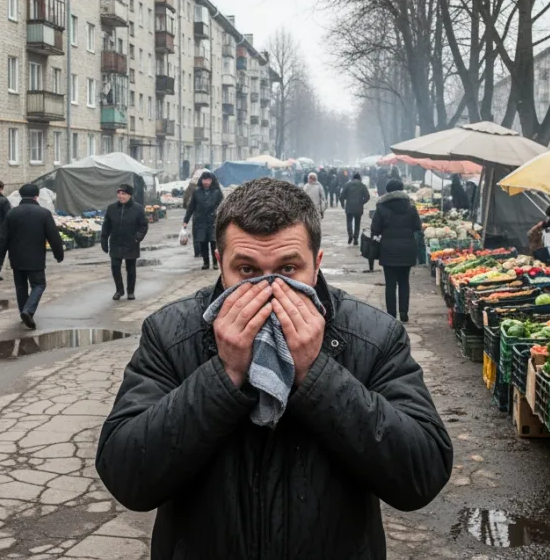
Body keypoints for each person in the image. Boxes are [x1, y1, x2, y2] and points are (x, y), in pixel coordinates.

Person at [95, 178, 452, 558]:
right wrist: (224, 375)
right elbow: (126, 475)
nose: (268, 289)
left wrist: (317, 373)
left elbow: (422, 475)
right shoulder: (171, 334)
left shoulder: (374, 337)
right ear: (220, 264)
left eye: (288, 268)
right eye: (247, 270)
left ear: (316, 265)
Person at [0, 183, 65, 329]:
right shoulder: (43, 213)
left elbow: (4, 238)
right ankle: (28, 310)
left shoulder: (12, 213)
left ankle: (24, 312)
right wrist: (58, 254)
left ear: (21, 195)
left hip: (16, 258)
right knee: (39, 284)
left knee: (21, 286)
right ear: (37, 196)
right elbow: (53, 237)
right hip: (35, 258)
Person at [371, 179, 422, 323]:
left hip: (388, 249)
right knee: (404, 282)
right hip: (407, 248)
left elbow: (375, 228)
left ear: (388, 190)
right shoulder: (411, 206)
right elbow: (417, 226)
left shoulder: (381, 207)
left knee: (390, 283)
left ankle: (391, 315)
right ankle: (404, 311)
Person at [102, 183, 150, 301]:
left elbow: (144, 225)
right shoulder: (111, 208)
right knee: (115, 267)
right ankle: (119, 290)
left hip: (131, 242)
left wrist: (137, 238)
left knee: (130, 268)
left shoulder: (137, 209)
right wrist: (104, 239)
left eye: (123, 194)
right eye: (119, 193)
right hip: (115, 242)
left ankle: (130, 291)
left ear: (129, 195)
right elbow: (106, 225)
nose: (120, 196)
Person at [184, 171, 225, 270]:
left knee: (213, 242)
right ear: (201, 180)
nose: (206, 182)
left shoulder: (217, 191)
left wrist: (220, 215)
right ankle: (206, 262)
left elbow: (223, 205)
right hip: (200, 221)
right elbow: (191, 207)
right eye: (204, 180)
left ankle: (215, 263)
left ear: (211, 181)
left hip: (213, 221)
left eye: (208, 180)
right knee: (203, 242)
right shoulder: (197, 192)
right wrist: (186, 221)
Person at [340, 171, 371, 245]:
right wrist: (362, 202)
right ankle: (356, 238)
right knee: (357, 223)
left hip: (349, 206)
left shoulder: (347, 185)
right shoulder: (362, 185)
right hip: (358, 207)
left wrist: (342, 204)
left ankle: (350, 234)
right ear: (360, 178)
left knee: (349, 222)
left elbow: (342, 196)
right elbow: (367, 197)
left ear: (353, 178)